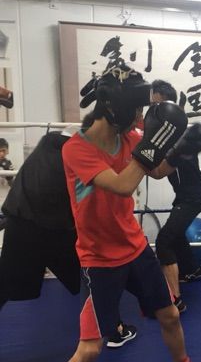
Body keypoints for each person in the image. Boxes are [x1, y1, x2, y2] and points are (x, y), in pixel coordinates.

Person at [49, 66, 201, 362]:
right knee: (91, 347)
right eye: (138, 109)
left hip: (135, 247)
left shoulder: (130, 136)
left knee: (170, 315)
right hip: (99, 260)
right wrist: (150, 147)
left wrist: (185, 150)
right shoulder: (76, 149)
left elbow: (156, 171)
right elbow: (124, 185)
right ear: (115, 107)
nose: (142, 117)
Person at [0, 127, 136, 348]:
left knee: (4, 284)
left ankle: (112, 327)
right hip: (57, 233)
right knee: (92, 279)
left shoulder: (44, 149)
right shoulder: (78, 157)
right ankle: (113, 330)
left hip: (20, 226)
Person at [150, 79, 201, 313]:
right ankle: (192, 270)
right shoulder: (167, 135)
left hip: (192, 197)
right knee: (176, 233)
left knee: (164, 240)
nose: (153, 112)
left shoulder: (179, 138)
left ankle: (175, 300)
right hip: (185, 195)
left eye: (157, 106)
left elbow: (159, 171)